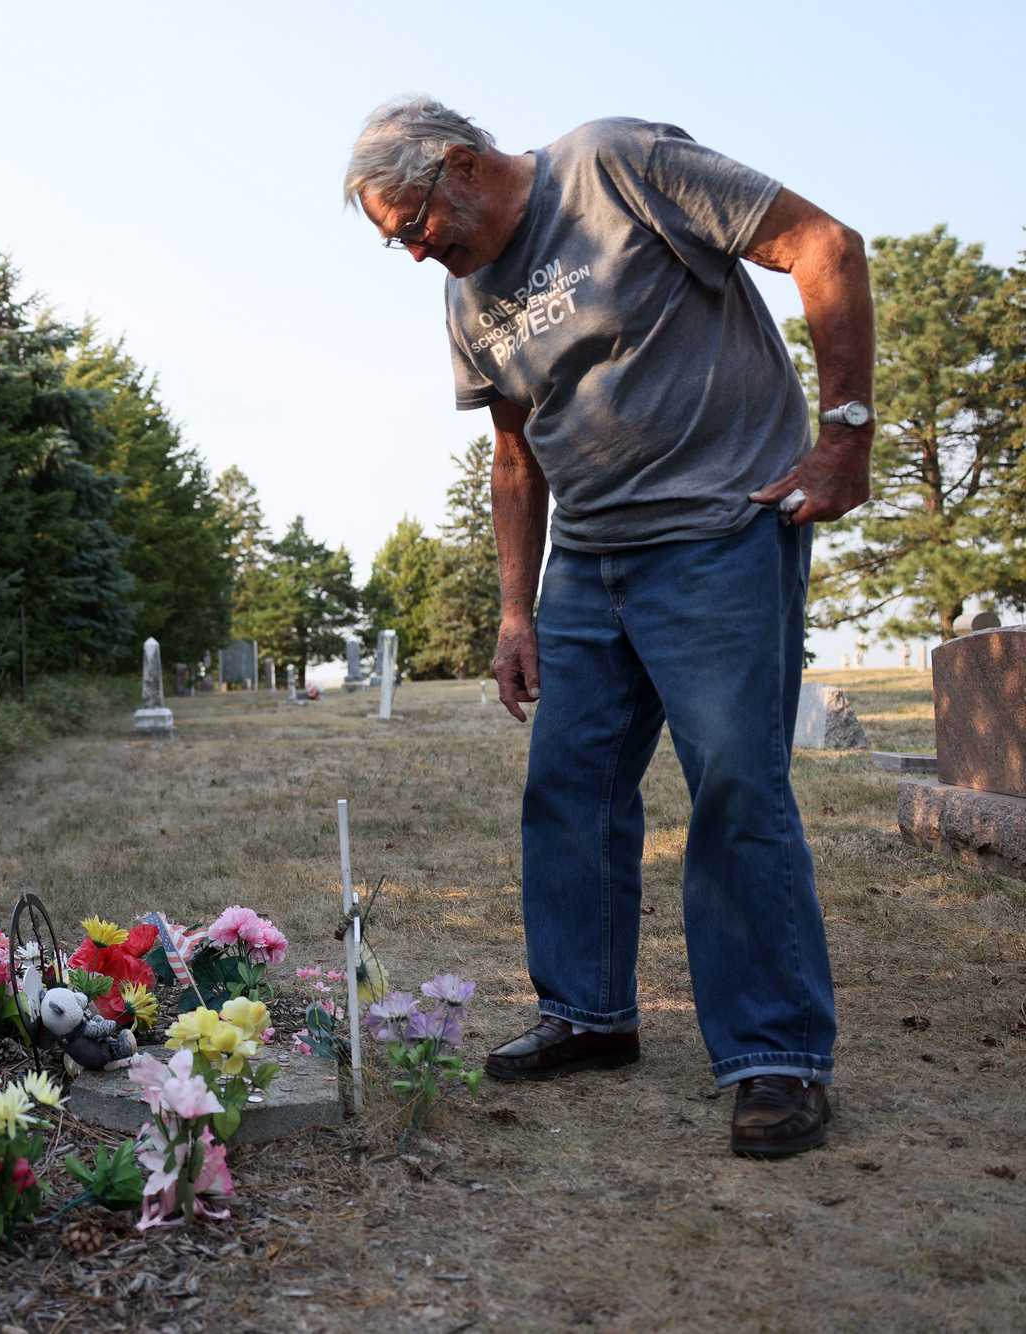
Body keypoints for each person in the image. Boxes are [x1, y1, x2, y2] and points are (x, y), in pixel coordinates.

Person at [343, 98, 875, 1157]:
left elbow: (823, 244)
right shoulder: (464, 296)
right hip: (587, 561)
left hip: (717, 530)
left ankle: (773, 1053)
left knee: (733, 782)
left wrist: (845, 434)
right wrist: (511, 609)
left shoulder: (613, 163)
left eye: (410, 226)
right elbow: (513, 456)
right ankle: (587, 1013)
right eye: (394, 242)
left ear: (458, 165)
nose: (412, 253)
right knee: (569, 784)